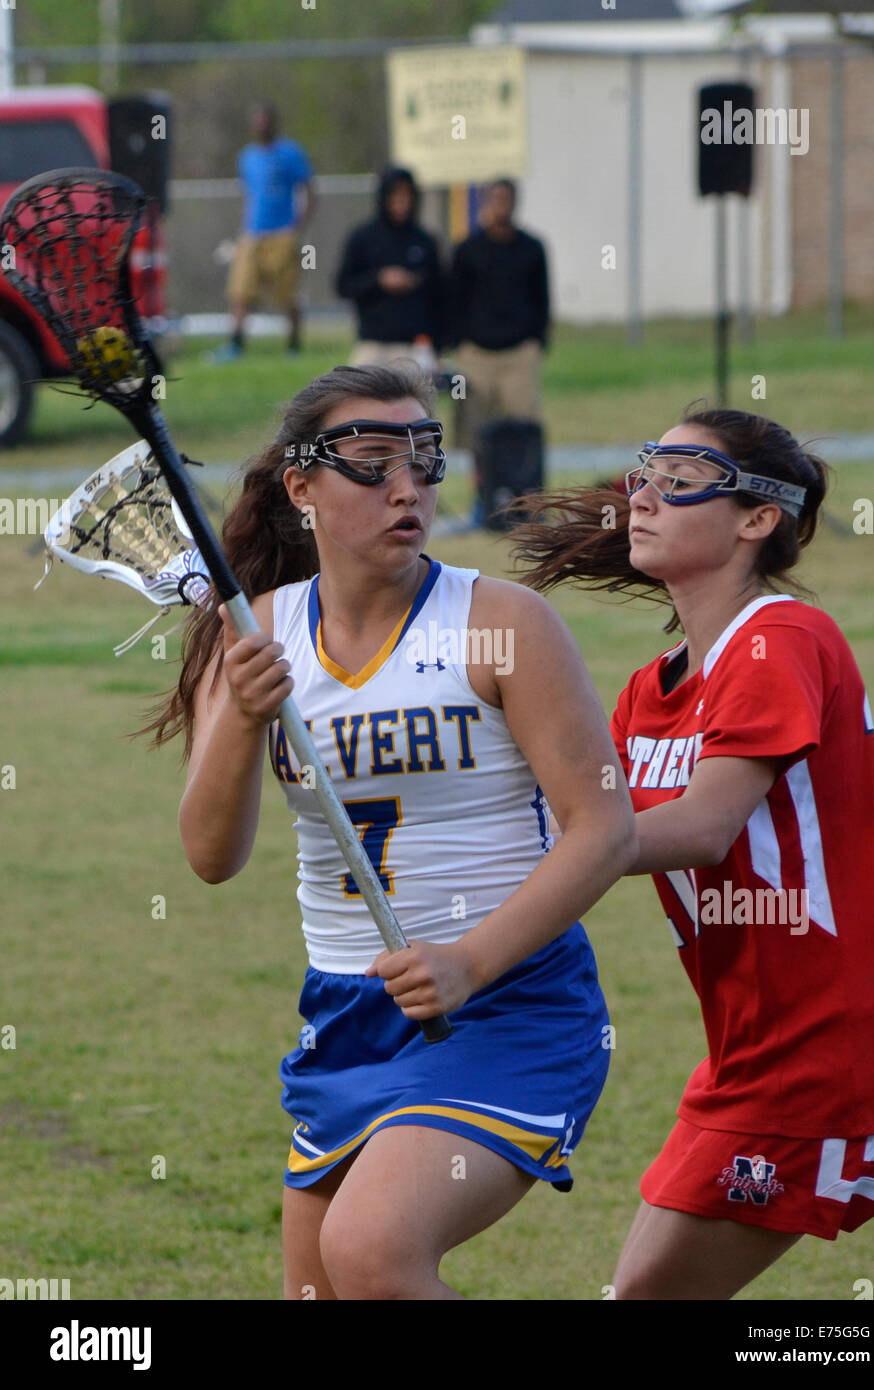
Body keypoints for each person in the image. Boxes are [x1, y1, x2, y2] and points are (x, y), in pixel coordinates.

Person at [143, 362, 636, 1300]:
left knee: (370, 1253)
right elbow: (210, 858)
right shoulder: (255, 634)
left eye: (425, 460)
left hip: (505, 1004)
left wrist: (470, 960)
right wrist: (243, 718)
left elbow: (602, 830)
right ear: (302, 487)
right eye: (373, 463)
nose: (407, 487)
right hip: (345, 1018)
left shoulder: (500, 624)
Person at [509, 407, 874, 1299]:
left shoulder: (782, 640)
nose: (643, 495)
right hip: (751, 1047)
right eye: (645, 469)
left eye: (682, 476)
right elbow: (576, 824)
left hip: (831, 1044)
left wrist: (570, 849)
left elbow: (700, 827)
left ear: (758, 518)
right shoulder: (645, 694)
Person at [448, 178, 550, 448]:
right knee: (473, 425)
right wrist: (459, 340)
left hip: (519, 352)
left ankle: (524, 482)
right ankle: (478, 485)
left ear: (515, 203)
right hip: (477, 354)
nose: (501, 206)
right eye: (496, 199)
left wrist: (537, 339)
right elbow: (455, 299)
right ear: (485, 202)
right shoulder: (467, 249)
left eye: (506, 199)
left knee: (524, 424)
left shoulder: (532, 248)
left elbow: (542, 298)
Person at [214, 102, 316, 361]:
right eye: (257, 122)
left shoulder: (291, 153)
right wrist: (243, 227)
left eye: (265, 121)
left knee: (288, 293)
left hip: (282, 233)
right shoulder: (247, 157)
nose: (261, 126)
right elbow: (250, 195)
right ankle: (236, 345)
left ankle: (294, 346)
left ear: (273, 123)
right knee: (240, 290)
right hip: (252, 233)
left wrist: (298, 226)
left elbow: (309, 190)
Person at [335, 168, 443, 370]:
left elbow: (439, 295)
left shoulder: (424, 241)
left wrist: (437, 346)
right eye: (395, 194)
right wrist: (379, 280)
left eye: (407, 194)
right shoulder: (363, 238)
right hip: (372, 342)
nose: (401, 201)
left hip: (413, 345)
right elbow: (342, 286)